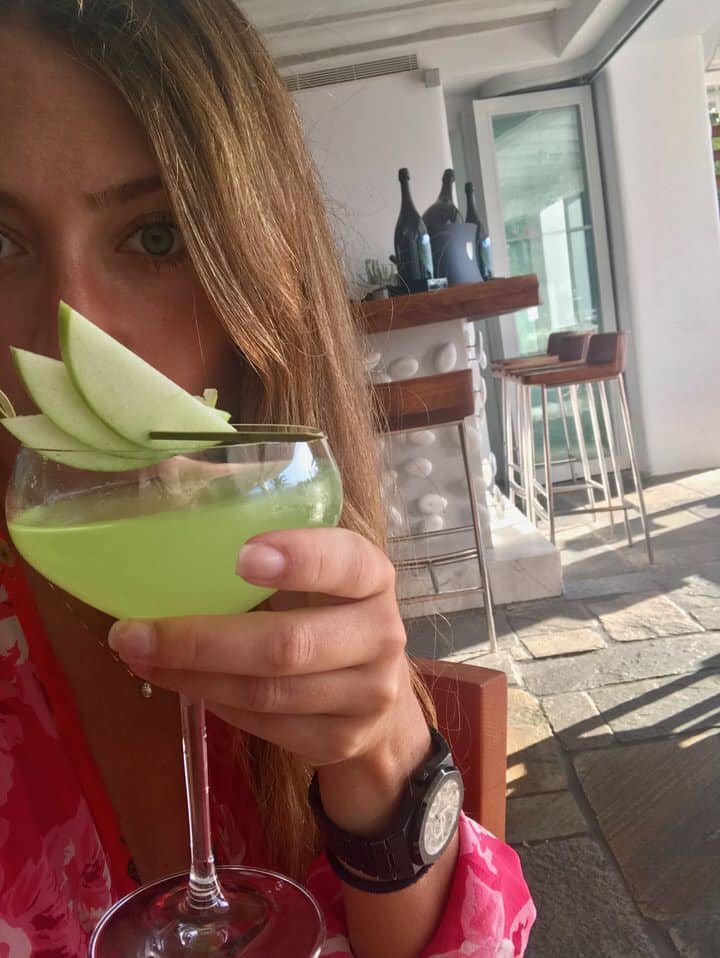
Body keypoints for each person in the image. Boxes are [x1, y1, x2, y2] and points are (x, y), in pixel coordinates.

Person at [0, 2, 535, 955]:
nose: (72, 341)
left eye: (156, 237)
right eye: (0, 245)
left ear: (259, 267)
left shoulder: (275, 560)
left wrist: (383, 755)